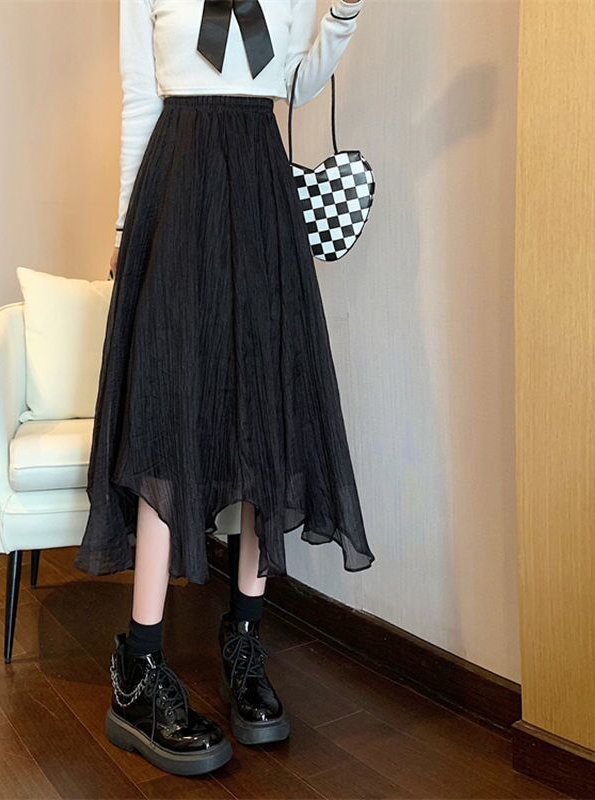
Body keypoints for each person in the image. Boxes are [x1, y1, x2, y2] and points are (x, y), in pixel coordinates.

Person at [75, 0, 375, 776]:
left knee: (262, 419)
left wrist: (342, 16)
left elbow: (295, 83)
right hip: (177, 190)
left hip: (260, 190)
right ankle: (139, 668)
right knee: (168, 412)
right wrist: (125, 230)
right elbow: (139, 93)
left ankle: (243, 640)